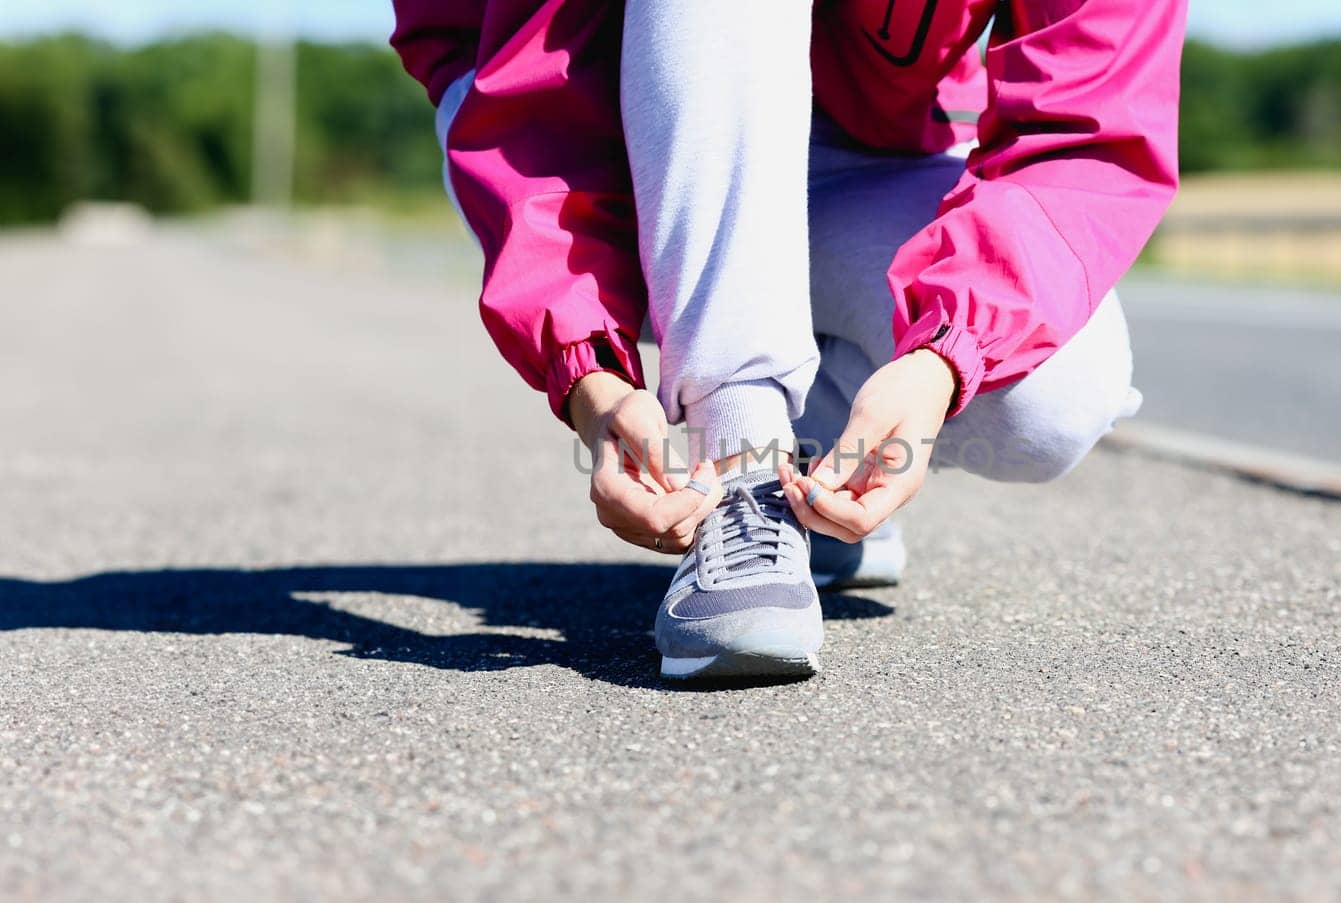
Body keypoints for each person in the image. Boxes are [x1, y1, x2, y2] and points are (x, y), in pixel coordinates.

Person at [389, 0, 1184, 681]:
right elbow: (519, 100)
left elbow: (1087, 126)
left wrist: (943, 358)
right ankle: (743, 472)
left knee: (1050, 403)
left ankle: (809, 483)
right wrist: (586, 369)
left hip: (871, 163)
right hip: (624, 160)